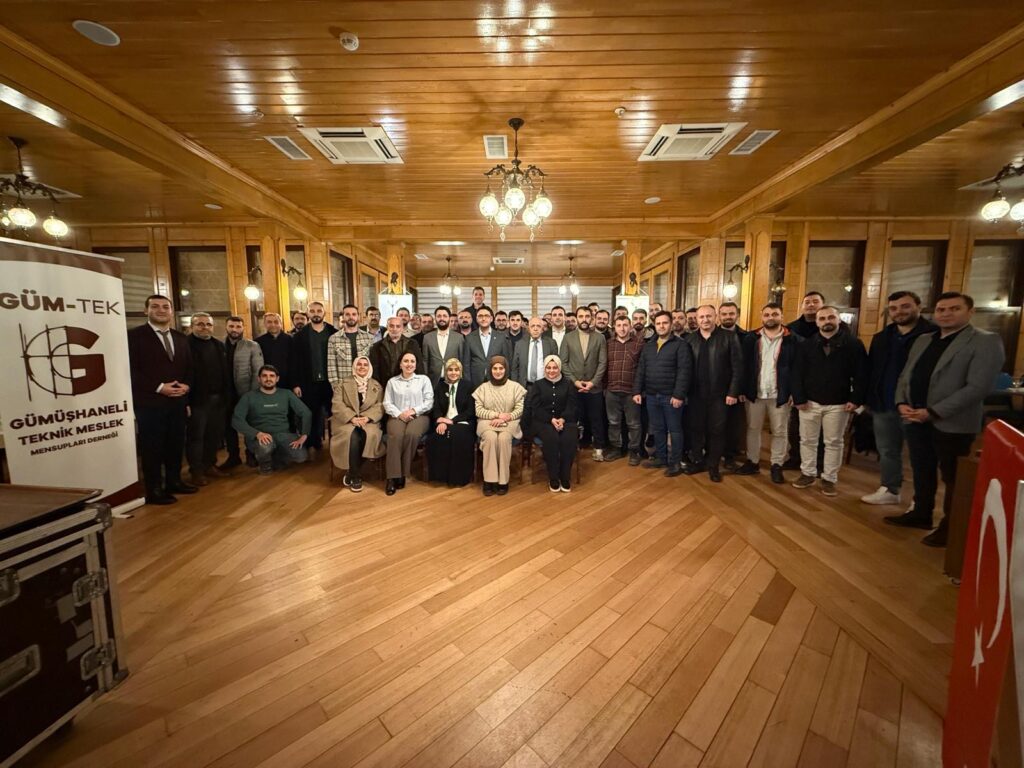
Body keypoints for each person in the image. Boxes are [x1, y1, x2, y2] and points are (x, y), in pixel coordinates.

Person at [885, 292, 1005, 547]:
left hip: (952, 422)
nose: (946, 314)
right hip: (915, 417)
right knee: (922, 469)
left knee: (954, 478)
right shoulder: (924, 340)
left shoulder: (985, 341)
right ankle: (921, 513)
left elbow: (978, 387)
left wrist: (935, 411)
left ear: (970, 312)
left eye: (954, 309)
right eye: (941, 309)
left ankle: (952, 527)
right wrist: (901, 402)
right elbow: (906, 376)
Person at [861, 291, 937, 506]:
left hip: (916, 407)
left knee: (920, 455)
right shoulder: (882, 337)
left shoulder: (933, 335)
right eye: (894, 308)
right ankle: (890, 488)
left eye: (905, 306)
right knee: (887, 450)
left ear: (918, 306)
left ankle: (921, 499)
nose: (899, 312)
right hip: (884, 403)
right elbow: (872, 370)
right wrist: (868, 399)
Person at [791, 306, 867, 496]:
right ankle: (807, 473)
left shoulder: (853, 344)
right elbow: (796, 373)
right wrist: (799, 397)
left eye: (830, 317)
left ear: (838, 320)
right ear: (817, 322)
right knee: (807, 440)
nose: (827, 321)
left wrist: (856, 399)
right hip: (809, 402)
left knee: (833, 442)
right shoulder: (806, 345)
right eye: (822, 318)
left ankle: (829, 478)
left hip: (839, 402)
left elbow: (862, 374)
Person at [128, 295, 195, 505]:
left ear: (171, 310)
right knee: (152, 447)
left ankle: (174, 482)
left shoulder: (181, 337)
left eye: (165, 307)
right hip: (150, 403)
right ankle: (154, 489)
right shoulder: (134, 337)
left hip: (177, 402)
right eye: (155, 306)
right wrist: (159, 388)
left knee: (176, 444)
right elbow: (131, 370)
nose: (161, 310)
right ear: (146, 310)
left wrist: (187, 385)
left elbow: (190, 367)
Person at [737, 303, 801, 483]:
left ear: (781, 316)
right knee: (752, 428)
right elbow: (744, 366)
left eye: (775, 314)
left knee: (780, 431)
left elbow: (797, 369)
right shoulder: (751, 338)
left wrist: (793, 392)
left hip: (779, 393)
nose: (770, 317)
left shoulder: (792, 339)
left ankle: (777, 465)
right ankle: (752, 461)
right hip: (755, 392)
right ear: (762, 316)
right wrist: (742, 389)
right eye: (767, 314)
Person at [683, 305, 743, 482]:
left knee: (716, 431)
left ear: (715, 317)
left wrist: (733, 392)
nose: (705, 320)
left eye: (708, 316)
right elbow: (684, 369)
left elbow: (738, 368)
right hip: (695, 394)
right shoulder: (690, 340)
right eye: (701, 317)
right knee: (696, 429)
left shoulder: (729, 338)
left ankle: (713, 465)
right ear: (696, 319)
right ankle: (698, 461)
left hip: (720, 394)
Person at [633, 310, 692, 476]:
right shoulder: (649, 345)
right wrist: (637, 390)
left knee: (674, 430)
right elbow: (641, 370)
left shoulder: (680, 345)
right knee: (658, 429)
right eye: (658, 323)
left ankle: (675, 463)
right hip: (652, 395)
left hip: (671, 396)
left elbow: (684, 372)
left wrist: (679, 395)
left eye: (665, 323)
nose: (661, 326)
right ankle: (661, 457)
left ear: (671, 324)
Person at [232, 365, 311, 475]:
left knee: (301, 456)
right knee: (265, 447)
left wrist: (304, 435)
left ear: (277, 379)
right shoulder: (248, 397)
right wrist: (256, 434)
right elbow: (236, 420)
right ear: (258, 379)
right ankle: (265, 466)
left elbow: (306, 413)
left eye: (272, 376)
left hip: (283, 434)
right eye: (264, 376)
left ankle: (275, 458)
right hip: (260, 436)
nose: (268, 379)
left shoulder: (286, 394)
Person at [784, 290, 827, 468]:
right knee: (795, 427)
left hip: (823, 385)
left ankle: (818, 462)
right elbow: (788, 361)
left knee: (822, 430)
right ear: (802, 306)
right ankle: (796, 458)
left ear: (822, 305)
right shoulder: (791, 328)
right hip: (798, 384)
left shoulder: (830, 327)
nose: (811, 305)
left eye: (815, 302)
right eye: (807, 302)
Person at [329, 355, 384, 493]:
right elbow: (337, 404)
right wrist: (352, 418)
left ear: (369, 367)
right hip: (345, 421)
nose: (362, 367)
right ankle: (356, 476)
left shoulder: (377, 386)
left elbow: (380, 406)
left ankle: (351, 473)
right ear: (354, 366)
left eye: (365, 365)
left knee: (368, 435)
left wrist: (367, 417)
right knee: (352, 436)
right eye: (359, 364)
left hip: (368, 422)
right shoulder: (343, 383)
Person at [185, 312, 228, 486]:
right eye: (200, 324)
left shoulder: (218, 345)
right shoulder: (185, 345)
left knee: (214, 435)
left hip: (218, 397)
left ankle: (210, 464)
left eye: (208, 324)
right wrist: (185, 401)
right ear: (192, 326)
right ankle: (196, 470)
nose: (204, 327)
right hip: (197, 399)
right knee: (196, 437)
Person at [473, 356, 526, 496]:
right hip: (487, 422)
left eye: (501, 368)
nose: (498, 371)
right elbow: (478, 410)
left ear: (506, 369)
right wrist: (496, 415)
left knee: (503, 439)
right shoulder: (483, 388)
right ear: (490, 370)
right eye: (494, 368)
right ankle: (489, 480)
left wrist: (506, 418)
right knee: (490, 438)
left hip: (509, 422)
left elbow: (519, 409)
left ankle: (503, 480)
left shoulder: (515, 387)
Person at [382, 351, 433, 495]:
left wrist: (413, 411)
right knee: (396, 437)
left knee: (411, 434)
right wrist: (400, 414)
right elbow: (387, 403)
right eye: (406, 361)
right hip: (396, 416)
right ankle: (392, 477)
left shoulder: (423, 380)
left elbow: (429, 402)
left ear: (416, 364)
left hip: (419, 416)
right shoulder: (392, 382)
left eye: (412, 361)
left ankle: (403, 473)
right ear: (400, 364)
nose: (409, 364)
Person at [288, 301, 336, 453]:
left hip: (330, 382)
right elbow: (294, 362)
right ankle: (313, 442)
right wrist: (295, 384)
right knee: (311, 414)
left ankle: (336, 443)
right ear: (308, 314)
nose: (316, 313)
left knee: (334, 413)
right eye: (312, 311)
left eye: (319, 310)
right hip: (308, 382)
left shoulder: (333, 332)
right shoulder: (299, 336)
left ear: (324, 313)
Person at [528, 355, 580, 492]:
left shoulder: (568, 384)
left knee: (569, 439)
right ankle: (553, 477)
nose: (551, 371)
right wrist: (551, 419)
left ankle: (565, 477)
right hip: (543, 422)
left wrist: (562, 419)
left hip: (566, 421)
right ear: (544, 369)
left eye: (555, 367)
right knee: (552, 439)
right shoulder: (538, 385)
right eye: (548, 368)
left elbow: (572, 406)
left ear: (559, 368)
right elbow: (536, 407)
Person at [219, 315, 264, 470]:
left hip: (245, 391)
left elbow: (257, 370)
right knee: (228, 425)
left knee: (249, 424)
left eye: (238, 327)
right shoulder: (219, 346)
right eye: (231, 326)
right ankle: (233, 456)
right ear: (226, 327)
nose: (235, 330)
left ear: (243, 328)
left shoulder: (252, 346)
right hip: (225, 393)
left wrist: (252, 394)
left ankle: (251, 454)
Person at [565, 305, 608, 460]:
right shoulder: (568, 337)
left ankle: (598, 447)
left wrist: (593, 382)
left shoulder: (600, 337)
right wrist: (575, 381)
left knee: (596, 418)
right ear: (577, 318)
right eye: (581, 316)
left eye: (587, 316)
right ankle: (575, 444)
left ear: (592, 318)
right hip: (574, 386)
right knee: (575, 417)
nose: (584, 319)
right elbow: (564, 362)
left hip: (593, 387)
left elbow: (603, 363)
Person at [427, 358, 476, 487]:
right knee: (435, 437)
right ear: (446, 371)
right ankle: (441, 477)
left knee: (456, 435)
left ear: (460, 371)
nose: (453, 373)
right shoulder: (440, 385)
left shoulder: (468, 386)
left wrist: (452, 421)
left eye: (456, 370)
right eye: (450, 370)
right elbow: (436, 408)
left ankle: (458, 478)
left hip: (463, 422)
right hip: (444, 421)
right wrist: (440, 421)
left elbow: (470, 411)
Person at [605, 315, 644, 464]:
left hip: (631, 392)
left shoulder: (639, 344)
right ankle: (616, 448)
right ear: (614, 327)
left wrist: (638, 390)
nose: (622, 328)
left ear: (630, 326)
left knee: (633, 423)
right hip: (612, 390)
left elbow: (642, 369)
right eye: (619, 325)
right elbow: (604, 366)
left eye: (625, 325)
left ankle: (634, 451)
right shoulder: (608, 344)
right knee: (613, 422)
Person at [718, 301, 747, 470]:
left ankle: (729, 455)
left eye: (731, 313)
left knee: (732, 425)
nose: (728, 317)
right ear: (719, 316)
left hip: (735, 389)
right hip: (715, 387)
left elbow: (745, 366)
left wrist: (739, 389)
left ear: (737, 315)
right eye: (724, 314)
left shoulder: (746, 337)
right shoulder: (713, 335)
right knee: (714, 423)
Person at [462, 306, 513, 388]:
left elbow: (506, 361)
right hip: (475, 381)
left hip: (497, 379)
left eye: (486, 316)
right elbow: (466, 364)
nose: (483, 318)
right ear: (476, 319)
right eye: (480, 316)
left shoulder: (501, 337)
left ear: (491, 318)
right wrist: (468, 383)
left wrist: (505, 381)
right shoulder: (469, 338)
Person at [327, 303, 375, 388]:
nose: (351, 317)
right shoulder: (333, 339)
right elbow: (331, 366)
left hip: (365, 384)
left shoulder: (369, 338)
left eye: (354, 314)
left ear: (358, 316)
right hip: (344, 384)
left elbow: (373, 363)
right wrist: (336, 387)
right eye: (347, 314)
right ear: (343, 317)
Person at [370, 316, 424, 386]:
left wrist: (418, 384)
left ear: (402, 328)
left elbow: (419, 366)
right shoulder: (377, 346)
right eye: (391, 326)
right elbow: (374, 370)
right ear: (387, 327)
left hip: (409, 385)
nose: (394, 329)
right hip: (385, 385)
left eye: (398, 326)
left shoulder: (412, 344)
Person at [422, 305, 465, 384]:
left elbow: (462, 360)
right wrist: (425, 379)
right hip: (433, 380)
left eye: (445, 316)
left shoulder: (459, 337)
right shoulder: (427, 337)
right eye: (439, 316)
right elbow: (425, 360)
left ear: (449, 318)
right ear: (435, 319)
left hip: (454, 380)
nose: (442, 318)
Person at [511, 316, 557, 387]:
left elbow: (556, 366)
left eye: (538, 326)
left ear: (542, 329)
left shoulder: (551, 343)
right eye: (532, 326)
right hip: (525, 386)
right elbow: (514, 368)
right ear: (528, 329)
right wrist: (515, 386)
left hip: (546, 385)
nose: (535, 329)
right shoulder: (520, 344)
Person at [256, 312, 292, 388]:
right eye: (269, 322)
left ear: (281, 324)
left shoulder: (291, 340)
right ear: (265, 324)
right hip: (267, 381)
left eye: (276, 322)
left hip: (288, 381)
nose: (273, 325)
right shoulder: (258, 342)